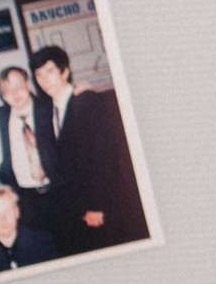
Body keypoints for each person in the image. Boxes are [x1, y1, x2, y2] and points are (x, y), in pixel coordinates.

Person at [30, 43, 146, 256]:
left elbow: (104, 158)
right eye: (39, 74)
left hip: (95, 205)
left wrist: (97, 205)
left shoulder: (87, 101)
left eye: (50, 72)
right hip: (69, 208)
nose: (44, 79)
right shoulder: (45, 111)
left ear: (65, 72)